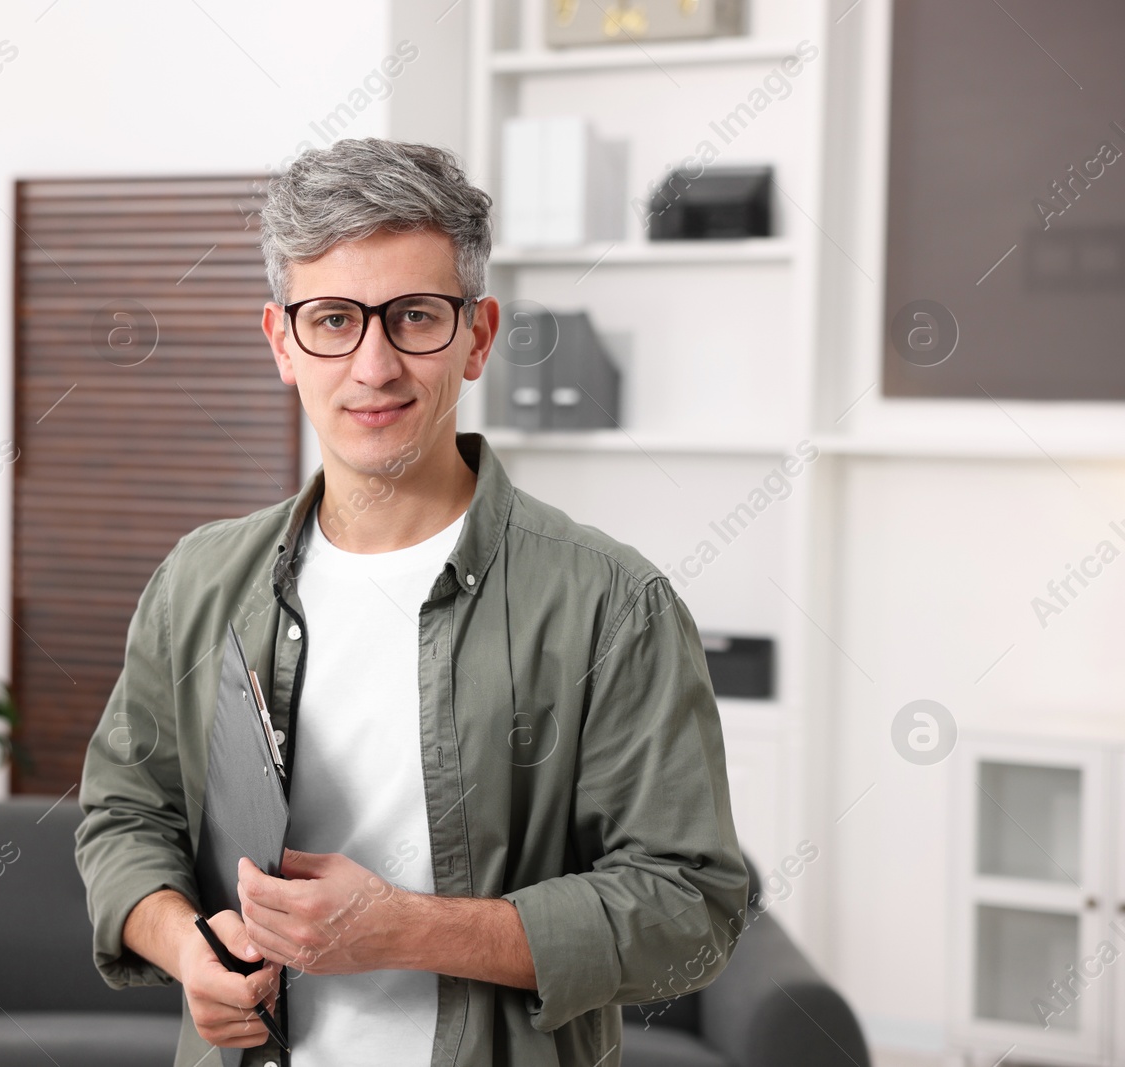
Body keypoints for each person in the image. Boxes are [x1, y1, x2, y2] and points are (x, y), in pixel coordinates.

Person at [75, 137, 748, 1067]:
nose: (374, 364)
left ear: (477, 336)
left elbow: (692, 907)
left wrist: (403, 929)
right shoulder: (197, 581)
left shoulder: (613, 603)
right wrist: (189, 949)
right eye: (334, 320)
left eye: (416, 317)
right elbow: (124, 816)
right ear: (282, 340)